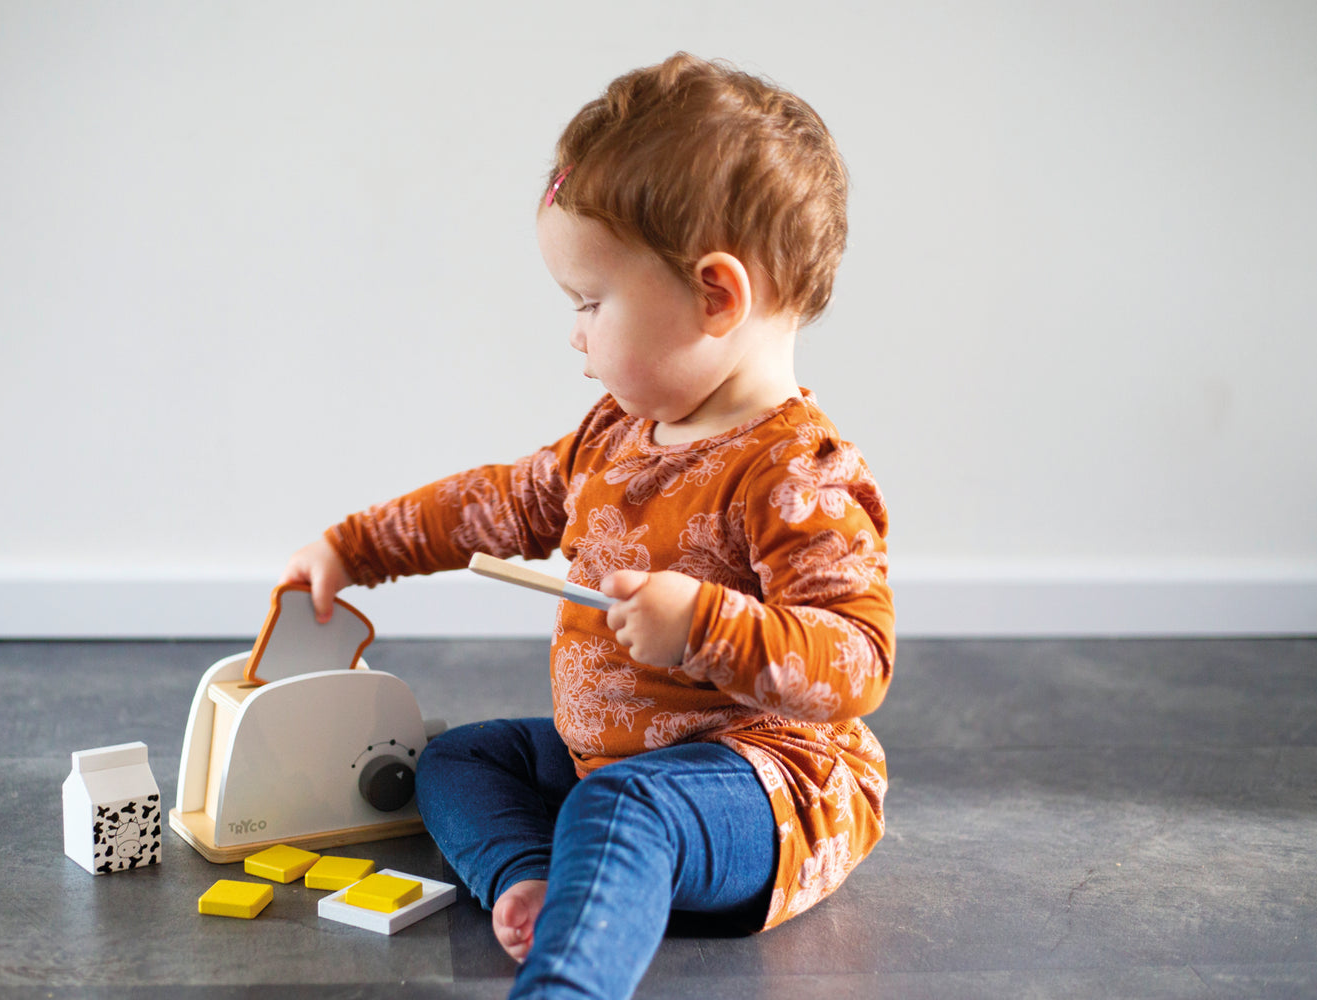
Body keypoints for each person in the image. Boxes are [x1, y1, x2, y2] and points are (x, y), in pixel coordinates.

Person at [282, 52, 894, 1000]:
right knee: (458, 758)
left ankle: (567, 984)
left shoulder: (797, 473)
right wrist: (357, 546)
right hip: (609, 764)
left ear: (716, 296)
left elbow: (858, 662)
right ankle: (533, 878)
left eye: (591, 303)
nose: (574, 332)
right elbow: (491, 503)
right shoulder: (614, 436)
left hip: (764, 789)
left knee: (623, 805)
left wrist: (704, 625)